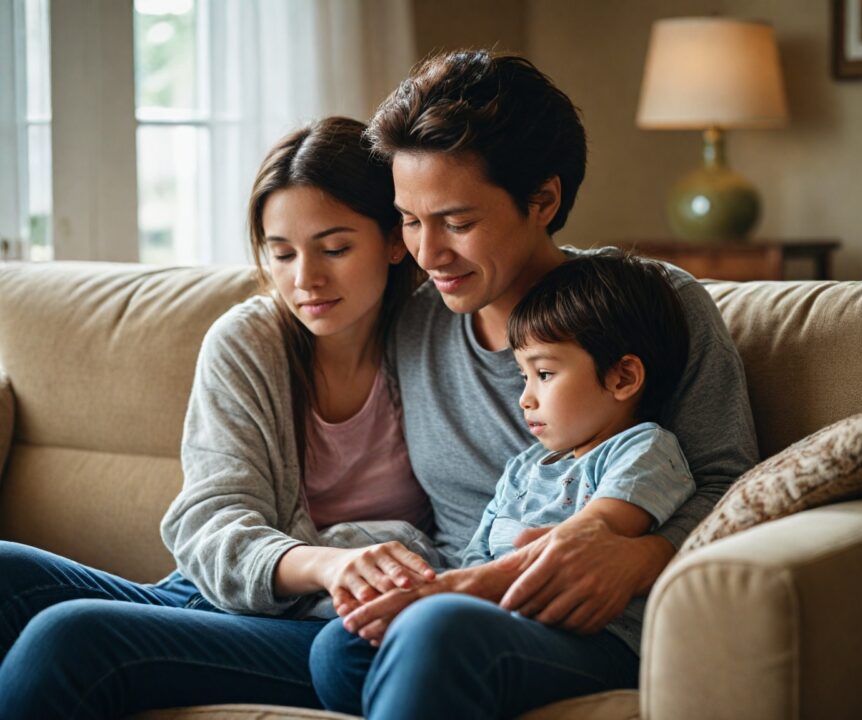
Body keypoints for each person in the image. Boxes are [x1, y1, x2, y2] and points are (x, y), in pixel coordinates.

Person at [308, 50, 759, 719]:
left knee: (433, 631)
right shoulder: (410, 317)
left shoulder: (649, 304)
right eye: (410, 220)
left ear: (542, 200)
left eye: (458, 222)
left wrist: (644, 555)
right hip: (462, 606)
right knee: (334, 649)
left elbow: (732, 483)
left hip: (592, 621)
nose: (428, 255)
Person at [0, 117, 439, 718]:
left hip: (332, 624)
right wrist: (328, 561)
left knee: (70, 639)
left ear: (394, 240)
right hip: (220, 591)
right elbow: (212, 523)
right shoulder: (249, 341)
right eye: (281, 253)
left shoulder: (438, 342)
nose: (305, 279)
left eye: (335, 249)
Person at [331, 251, 697, 663]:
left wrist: (448, 596)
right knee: (340, 645)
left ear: (622, 377)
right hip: (499, 620)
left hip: (593, 636)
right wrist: (432, 591)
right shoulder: (523, 469)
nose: (525, 398)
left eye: (544, 374)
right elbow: (475, 559)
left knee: (431, 627)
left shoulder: (645, 450)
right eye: (524, 376)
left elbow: (588, 536)